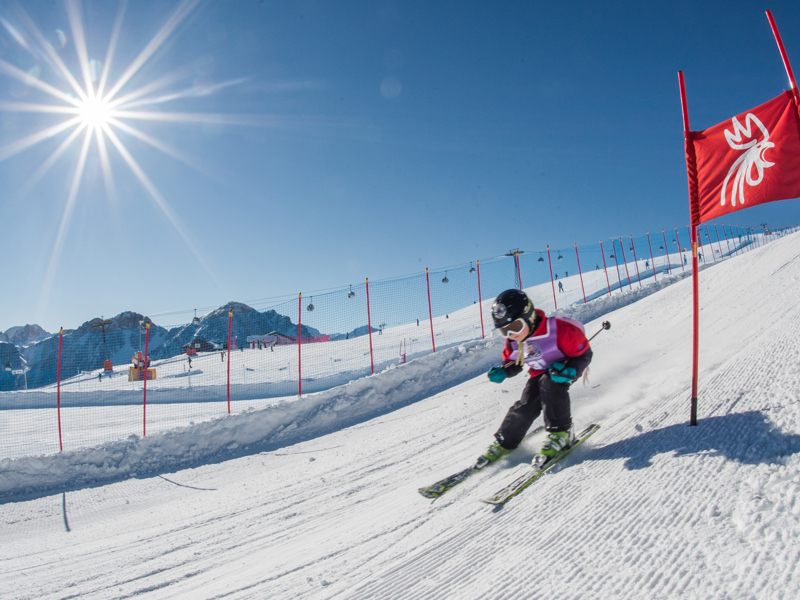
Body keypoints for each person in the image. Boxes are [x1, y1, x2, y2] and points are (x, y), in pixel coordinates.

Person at [476, 289, 593, 468]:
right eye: (504, 331)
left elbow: (584, 354)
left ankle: (562, 432)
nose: (511, 334)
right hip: (539, 372)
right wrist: (503, 371)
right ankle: (505, 440)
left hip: (564, 369)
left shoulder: (558, 329)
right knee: (527, 403)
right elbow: (514, 362)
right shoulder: (514, 342)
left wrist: (572, 370)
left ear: (529, 317)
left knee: (549, 384)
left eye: (515, 327)